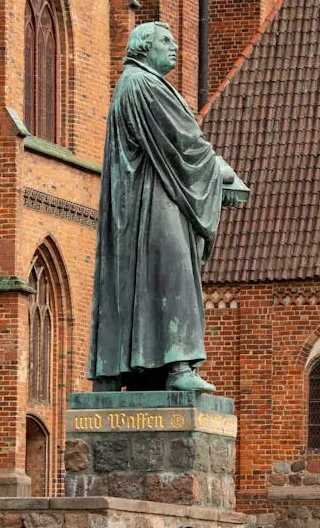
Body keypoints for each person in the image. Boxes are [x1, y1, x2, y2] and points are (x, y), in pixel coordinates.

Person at [88, 21, 239, 393]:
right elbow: (183, 144)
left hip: (150, 199)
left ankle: (148, 368)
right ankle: (177, 365)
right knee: (175, 274)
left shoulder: (137, 84)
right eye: (165, 42)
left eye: (175, 40)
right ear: (142, 48)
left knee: (156, 279)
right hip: (153, 201)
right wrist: (220, 172)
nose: (175, 48)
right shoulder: (142, 85)